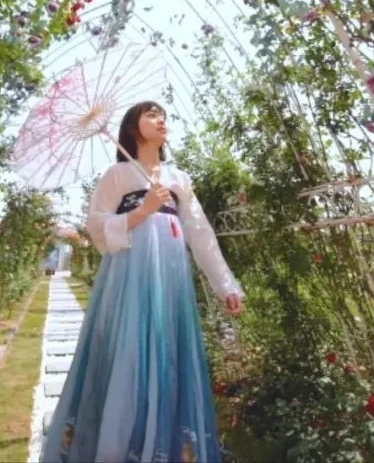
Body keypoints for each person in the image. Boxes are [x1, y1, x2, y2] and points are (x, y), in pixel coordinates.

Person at [41, 101, 244, 463]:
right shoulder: (117, 175)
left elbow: (200, 233)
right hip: (129, 279)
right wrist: (142, 210)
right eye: (151, 114)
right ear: (133, 128)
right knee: (129, 353)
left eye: (163, 114)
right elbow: (97, 227)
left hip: (171, 278)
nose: (161, 119)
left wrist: (225, 285)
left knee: (168, 355)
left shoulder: (178, 178)